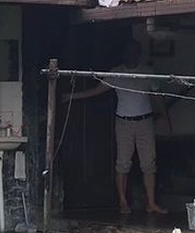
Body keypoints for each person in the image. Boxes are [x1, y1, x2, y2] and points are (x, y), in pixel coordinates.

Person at [66, 43, 169, 216]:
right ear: (124, 54)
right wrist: (72, 96)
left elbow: (158, 96)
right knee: (122, 163)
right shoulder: (116, 73)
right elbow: (96, 90)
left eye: (134, 52)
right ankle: (123, 202)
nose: (131, 56)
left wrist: (166, 118)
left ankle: (151, 203)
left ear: (139, 54)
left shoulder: (147, 72)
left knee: (149, 164)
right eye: (128, 52)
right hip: (124, 122)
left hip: (145, 121)